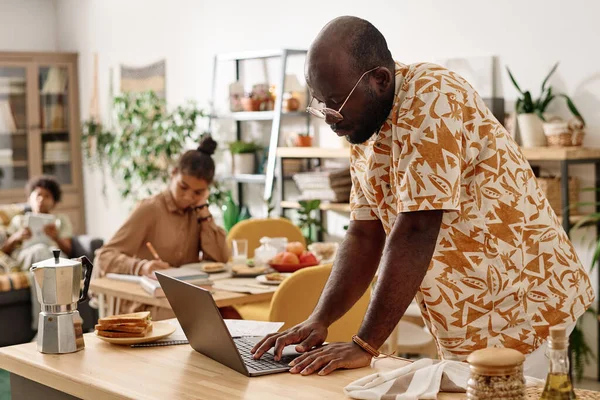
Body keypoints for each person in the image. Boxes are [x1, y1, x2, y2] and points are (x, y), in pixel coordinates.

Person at [252, 16, 593, 379]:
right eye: (320, 104)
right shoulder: (363, 127)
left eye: (335, 103)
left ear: (379, 79)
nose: (328, 119)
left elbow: (416, 227)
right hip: (467, 317)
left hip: (525, 304)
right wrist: (320, 319)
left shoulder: (433, 95)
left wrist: (365, 345)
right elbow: (364, 234)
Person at [95, 136, 229, 318]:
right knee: (202, 318)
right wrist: (142, 266)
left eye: (198, 192)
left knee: (230, 315)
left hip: (183, 298)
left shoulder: (197, 211)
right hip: (146, 304)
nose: (188, 196)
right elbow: (104, 257)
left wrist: (205, 214)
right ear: (173, 174)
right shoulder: (150, 209)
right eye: (183, 187)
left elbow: (221, 260)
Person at [3, 175, 73, 267]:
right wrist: (17, 236)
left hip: (52, 254)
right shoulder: (19, 220)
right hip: (26, 256)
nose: (41, 199)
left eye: (47, 196)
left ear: (54, 202)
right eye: (38, 194)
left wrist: (56, 238)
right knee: (41, 251)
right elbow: (4, 251)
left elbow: (68, 250)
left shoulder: (61, 220)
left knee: (54, 255)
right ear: (29, 198)